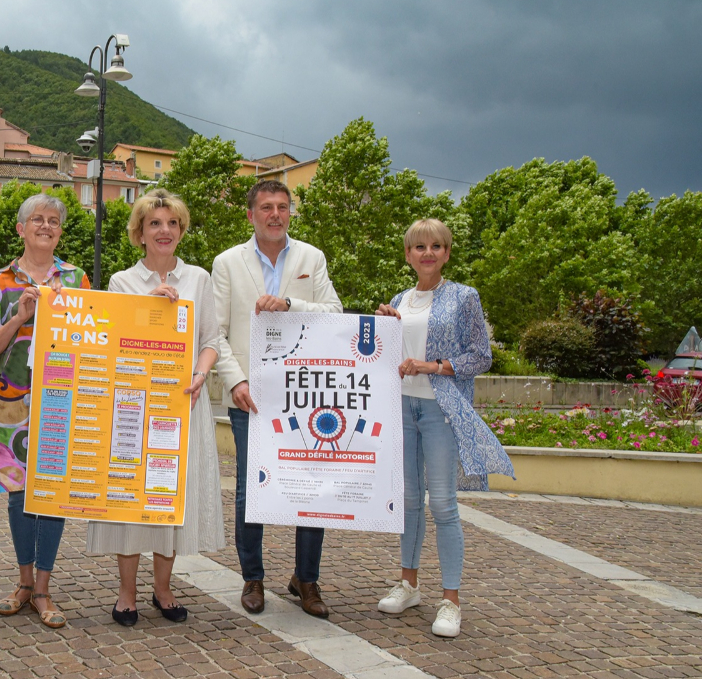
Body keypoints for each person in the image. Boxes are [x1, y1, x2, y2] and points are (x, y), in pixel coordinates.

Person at [86, 189, 226, 625]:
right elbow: (112, 345)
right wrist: (150, 311)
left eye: (172, 223)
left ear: (180, 231)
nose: (164, 231)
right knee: (131, 497)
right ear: (140, 233)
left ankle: (163, 589)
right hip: (133, 407)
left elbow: (211, 341)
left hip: (183, 405)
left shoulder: (200, 280)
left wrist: (200, 374)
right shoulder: (122, 283)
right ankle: (126, 593)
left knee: (170, 495)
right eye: (154, 224)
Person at [373, 218, 514, 638]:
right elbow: (390, 357)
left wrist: (433, 366)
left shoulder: (463, 297)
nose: (428, 253)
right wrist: (386, 327)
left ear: (447, 252)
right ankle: (408, 584)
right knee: (410, 500)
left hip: (441, 410)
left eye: (436, 246)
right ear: (408, 255)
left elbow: (481, 356)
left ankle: (451, 600)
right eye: (420, 247)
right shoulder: (401, 298)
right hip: (404, 407)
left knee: (444, 506)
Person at [212, 179, 342, 618]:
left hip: (305, 397)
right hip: (250, 396)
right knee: (252, 492)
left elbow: (335, 314)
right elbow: (217, 333)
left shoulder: (311, 258)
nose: (275, 214)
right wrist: (236, 382)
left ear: (290, 213)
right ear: (251, 215)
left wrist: (290, 304)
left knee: (312, 488)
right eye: (266, 207)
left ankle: (306, 579)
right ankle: (253, 577)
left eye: (282, 207)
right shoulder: (227, 263)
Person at [0, 193, 89, 629]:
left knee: (52, 493)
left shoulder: (78, 278)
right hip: (9, 404)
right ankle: (24, 583)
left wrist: (67, 311)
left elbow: (92, 339)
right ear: (20, 228)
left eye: (53, 221)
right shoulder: (0, 282)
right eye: (37, 220)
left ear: (60, 231)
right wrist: (19, 316)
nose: (45, 226)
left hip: (62, 401)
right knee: (19, 496)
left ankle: (44, 588)